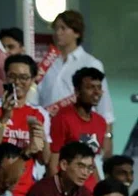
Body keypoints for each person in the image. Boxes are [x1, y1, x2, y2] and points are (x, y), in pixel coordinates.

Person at [38, 10, 114, 156]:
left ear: (77, 33)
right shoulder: (48, 63)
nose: (57, 33)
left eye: (63, 28)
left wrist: (107, 140)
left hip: (80, 130)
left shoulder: (91, 63)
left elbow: (105, 108)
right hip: (50, 131)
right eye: (56, 28)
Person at [0, 54, 52, 196]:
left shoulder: (40, 113)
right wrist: (5, 117)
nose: (17, 82)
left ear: (32, 80)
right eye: (12, 76)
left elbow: (45, 159)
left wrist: (40, 136)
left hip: (27, 192)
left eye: (24, 77)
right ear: (5, 77)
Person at [50, 67, 108, 166]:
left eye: (99, 87)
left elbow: (93, 163)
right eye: (90, 88)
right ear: (77, 91)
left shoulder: (100, 122)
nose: (97, 92)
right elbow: (53, 162)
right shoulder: (62, 118)